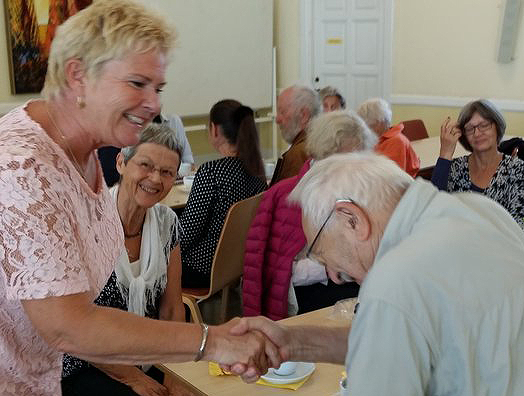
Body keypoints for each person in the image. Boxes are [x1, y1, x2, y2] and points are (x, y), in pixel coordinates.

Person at [0, 2, 278, 395]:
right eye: (137, 83)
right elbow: (69, 325)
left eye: (158, 88)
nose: (155, 104)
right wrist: (212, 341)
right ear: (78, 75)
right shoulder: (23, 167)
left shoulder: (84, 150)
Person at [230, 152, 524, 396]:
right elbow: (391, 343)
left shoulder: (396, 278)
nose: (333, 275)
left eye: (322, 253)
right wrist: (292, 342)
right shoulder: (480, 209)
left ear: (352, 220)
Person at [61, 123, 186, 395]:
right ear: (121, 163)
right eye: (146, 165)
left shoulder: (168, 224)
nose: (155, 179)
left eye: (167, 172)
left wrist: (177, 373)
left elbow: (172, 310)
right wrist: (134, 379)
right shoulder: (85, 226)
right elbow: (76, 325)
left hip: (149, 354)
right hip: (87, 361)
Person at [243, 111, 376, 320]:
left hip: (359, 284)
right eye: (348, 159)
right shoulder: (288, 196)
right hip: (311, 294)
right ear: (324, 154)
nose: (355, 168)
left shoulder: (360, 188)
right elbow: (284, 274)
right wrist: (333, 265)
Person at [180, 100, 267, 288]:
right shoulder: (257, 173)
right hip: (234, 266)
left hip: (201, 267)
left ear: (215, 129)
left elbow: (185, 234)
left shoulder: (212, 172)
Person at [431, 99, 524, 229]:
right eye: (470, 129)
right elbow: (433, 208)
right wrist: (445, 153)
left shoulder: (517, 170)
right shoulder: (457, 168)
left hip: (499, 246)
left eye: (484, 125)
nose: (477, 133)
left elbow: (517, 228)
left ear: (497, 127)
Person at [98, 113, 194, 187]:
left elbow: (190, 165)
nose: (156, 179)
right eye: (144, 165)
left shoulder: (170, 122)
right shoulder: (109, 133)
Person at [270, 85, 320, 186]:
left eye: (282, 112)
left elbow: (286, 199)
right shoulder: (323, 142)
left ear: (304, 115)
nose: (277, 119)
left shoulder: (298, 153)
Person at [357, 98, 420, 177]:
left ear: (380, 122)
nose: (365, 130)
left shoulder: (396, 141)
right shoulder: (375, 139)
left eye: (368, 125)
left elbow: (392, 177)